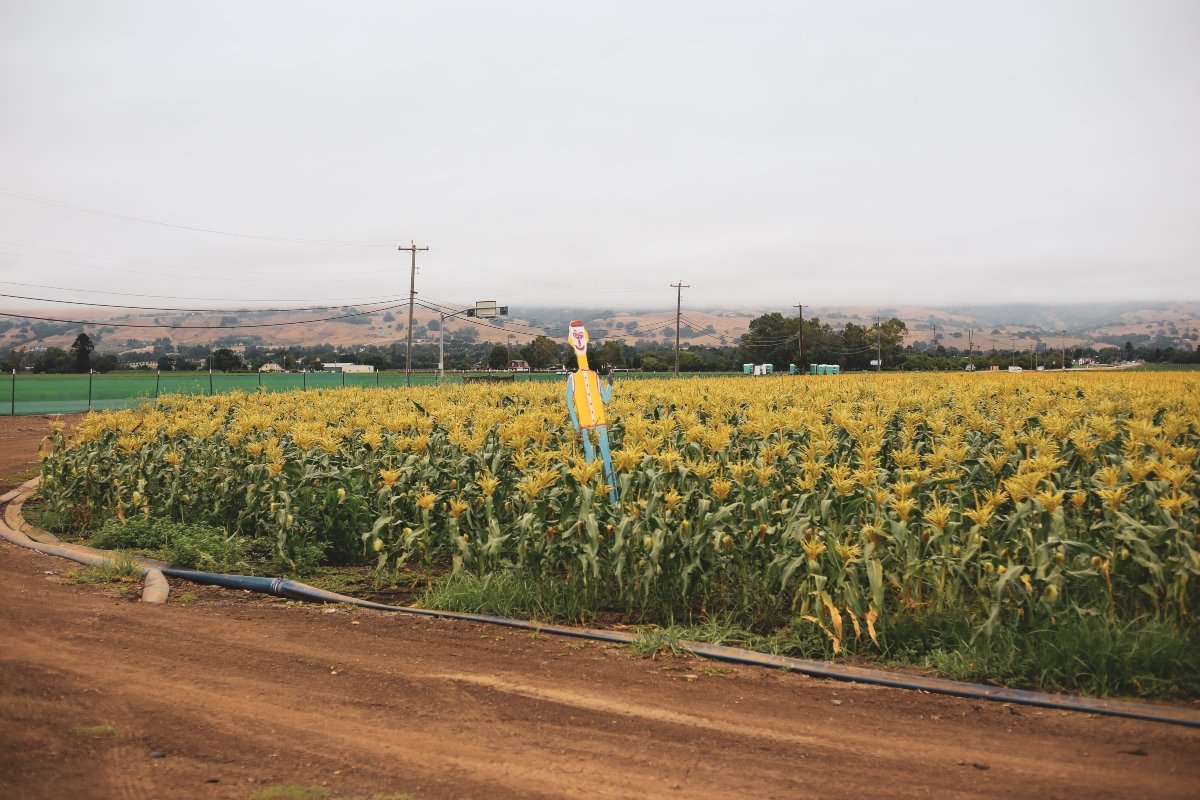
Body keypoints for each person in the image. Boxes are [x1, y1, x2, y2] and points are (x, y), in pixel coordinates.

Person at [564, 321, 617, 503]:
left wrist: (610, 385)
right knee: (590, 463)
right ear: (571, 340)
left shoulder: (595, 377)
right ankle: (592, 501)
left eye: (581, 335)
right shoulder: (572, 378)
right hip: (586, 426)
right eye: (575, 336)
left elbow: (606, 400)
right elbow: (569, 403)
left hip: (600, 424)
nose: (579, 340)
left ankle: (614, 501)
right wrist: (576, 424)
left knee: (607, 461)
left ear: (586, 337)